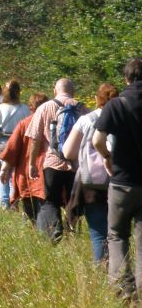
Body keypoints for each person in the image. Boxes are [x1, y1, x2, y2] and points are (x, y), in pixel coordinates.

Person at [93, 59, 142, 297]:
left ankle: (124, 291)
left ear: (126, 79)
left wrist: (107, 157)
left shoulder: (116, 104)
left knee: (117, 235)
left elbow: (97, 140)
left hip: (122, 183)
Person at [63, 82, 119, 264]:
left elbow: (68, 152)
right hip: (119, 181)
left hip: (91, 185)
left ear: (97, 99)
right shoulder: (123, 119)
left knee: (98, 233)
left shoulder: (86, 120)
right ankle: (119, 269)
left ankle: (102, 271)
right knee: (119, 233)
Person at [26, 78, 84, 241]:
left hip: (52, 163)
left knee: (51, 200)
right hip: (75, 164)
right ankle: (72, 232)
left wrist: (32, 164)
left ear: (54, 91)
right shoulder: (82, 108)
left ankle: (54, 229)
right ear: (73, 91)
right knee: (73, 202)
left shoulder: (45, 107)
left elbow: (35, 139)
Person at [1, 92, 49, 223]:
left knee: (29, 210)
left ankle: (34, 231)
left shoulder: (24, 124)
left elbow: (11, 148)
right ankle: (45, 233)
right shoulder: (52, 124)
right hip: (46, 172)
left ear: (31, 107)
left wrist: (4, 169)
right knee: (46, 207)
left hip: (27, 173)